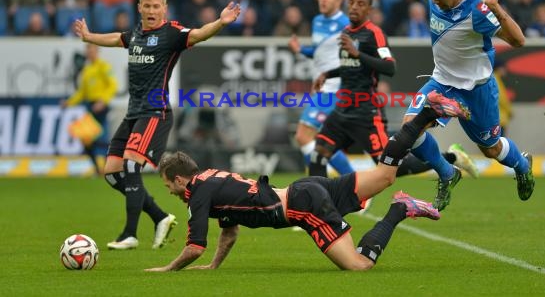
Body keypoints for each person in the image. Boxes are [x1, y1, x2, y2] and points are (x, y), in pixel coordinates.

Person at [144, 91, 469, 272]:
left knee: (358, 267)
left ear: (178, 178)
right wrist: (215, 266)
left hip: (305, 206)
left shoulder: (197, 192)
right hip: (307, 189)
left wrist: (167, 270)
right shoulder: (210, 178)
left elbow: (193, 247)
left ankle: (399, 209)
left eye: (168, 185)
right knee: (386, 174)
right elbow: (229, 231)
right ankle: (426, 114)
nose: (170, 192)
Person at [73, 0, 241, 250]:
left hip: (156, 112)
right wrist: (89, 36)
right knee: (112, 173)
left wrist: (220, 22)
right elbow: (117, 38)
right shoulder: (138, 33)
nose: (151, 10)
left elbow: (198, 34)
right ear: (139, 7)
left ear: (164, 8)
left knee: (130, 166)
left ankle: (130, 233)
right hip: (133, 113)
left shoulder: (171, 33)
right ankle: (160, 217)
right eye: (147, 5)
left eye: (156, 6)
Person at [403, 0, 534, 211]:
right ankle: (448, 173)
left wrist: (496, 8)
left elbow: (519, 40)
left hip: (477, 90)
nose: (434, 0)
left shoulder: (478, 10)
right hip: (442, 82)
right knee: (410, 129)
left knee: (491, 150)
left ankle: (522, 165)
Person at [307, 0, 477, 181]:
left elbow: (389, 67)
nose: (354, 7)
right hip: (342, 110)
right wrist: (328, 74)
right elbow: (350, 67)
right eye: (351, 2)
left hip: (365, 114)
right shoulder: (347, 32)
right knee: (317, 156)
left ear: (369, 10)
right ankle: (317, 206)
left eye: (360, 4)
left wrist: (358, 54)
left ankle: (453, 157)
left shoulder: (374, 34)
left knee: (393, 166)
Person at [287, 0, 353, 176]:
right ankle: (344, 187)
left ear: (339, 0)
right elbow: (319, 51)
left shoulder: (346, 26)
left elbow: (356, 59)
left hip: (334, 90)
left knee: (303, 136)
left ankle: (344, 184)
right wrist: (301, 50)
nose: (323, 0)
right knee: (320, 140)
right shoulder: (317, 21)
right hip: (321, 89)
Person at [63, 43, 118, 175]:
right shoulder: (86, 70)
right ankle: (97, 169)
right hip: (90, 106)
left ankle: (107, 167)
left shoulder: (104, 66)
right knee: (86, 140)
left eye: (92, 50)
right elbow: (82, 92)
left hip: (101, 106)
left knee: (102, 138)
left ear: (97, 51)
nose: (90, 53)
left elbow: (113, 85)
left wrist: (103, 101)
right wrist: (69, 102)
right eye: (88, 50)